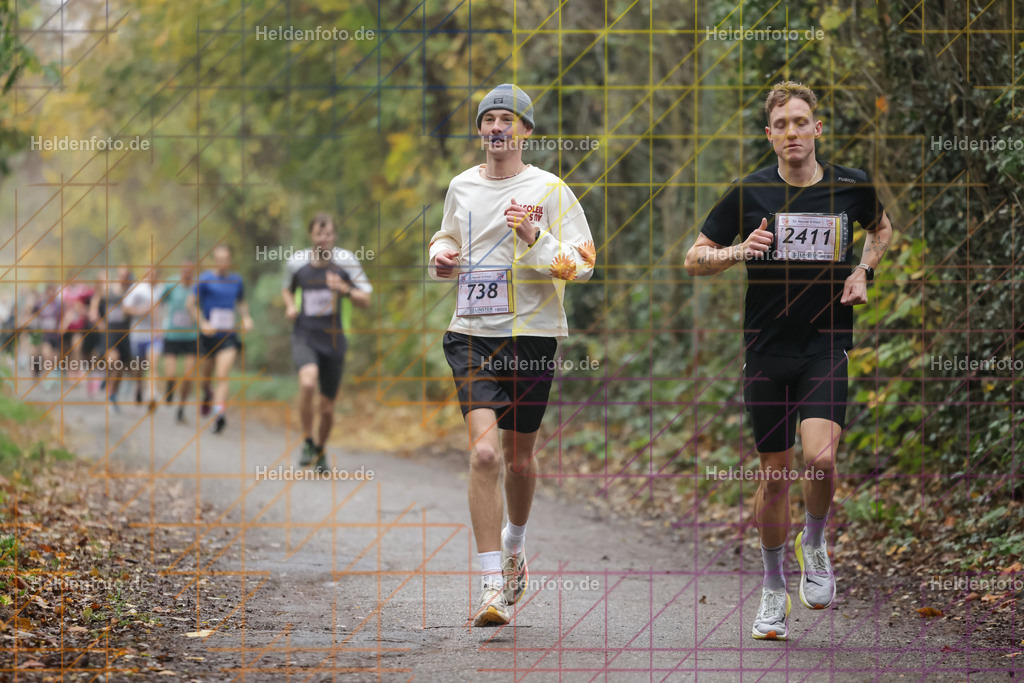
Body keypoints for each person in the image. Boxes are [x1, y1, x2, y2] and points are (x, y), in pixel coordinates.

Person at [684, 81, 893, 640]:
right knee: (775, 477)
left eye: (801, 122)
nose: (793, 133)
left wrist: (862, 271)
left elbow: (882, 229)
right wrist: (737, 251)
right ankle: (774, 589)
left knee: (821, 462)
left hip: (824, 343)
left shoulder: (851, 188)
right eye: (781, 125)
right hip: (766, 350)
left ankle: (816, 542)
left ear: (817, 129)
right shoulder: (749, 192)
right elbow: (694, 257)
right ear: (770, 135)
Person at [428, 84, 596, 626]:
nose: (497, 127)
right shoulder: (461, 185)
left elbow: (585, 263)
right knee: (483, 455)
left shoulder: (550, 189)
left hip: (532, 338)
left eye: (507, 119)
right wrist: (441, 254)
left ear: (525, 131)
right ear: (480, 130)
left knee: (520, 458)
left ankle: (515, 545)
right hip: (472, 335)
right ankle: (491, 587)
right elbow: (445, 234)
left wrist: (535, 237)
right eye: (488, 119)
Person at [282, 214, 372, 472]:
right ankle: (308, 441)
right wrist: (290, 306)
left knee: (327, 407)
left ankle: (320, 449)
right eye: (319, 234)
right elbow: (286, 288)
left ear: (334, 236)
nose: (324, 239)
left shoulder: (346, 262)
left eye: (329, 234)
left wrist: (344, 289)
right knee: (307, 382)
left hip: (334, 339)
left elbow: (365, 299)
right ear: (312, 235)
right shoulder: (296, 263)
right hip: (305, 335)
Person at [189, 245, 252, 434]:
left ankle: (219, 413)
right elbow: (191, 304)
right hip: (209, 335)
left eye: (226, 259)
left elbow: (241, 302)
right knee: (205, 380)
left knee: (222, 374)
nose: (223, 262)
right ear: (215, 260)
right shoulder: (205, 279)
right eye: (219, 259)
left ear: (230, 260)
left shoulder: (237, 280)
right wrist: (202, 322)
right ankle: (207, 392)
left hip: (228, 335)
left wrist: (247, 317)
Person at [158, 260, 199, 424]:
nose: (186, 274)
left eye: (190, 271)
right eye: (184, 270)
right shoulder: (171, 284)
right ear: (181, 271)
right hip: (172, 336)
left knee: (189, 377)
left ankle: (181, 408)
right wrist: (160, 323)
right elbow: (159, 303)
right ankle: (169, 387)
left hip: (191, 337)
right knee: (171, 374)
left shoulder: (198, 287)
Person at [90, 266, 135, 412]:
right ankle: (107, 381)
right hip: (110, 334)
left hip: (125, 334)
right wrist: (100, 324)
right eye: (122, 275)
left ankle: (113, 394)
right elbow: (94, 309)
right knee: (113, 360)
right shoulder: (108, 290)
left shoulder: (131, 292)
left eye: (126, 276)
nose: (124, 278)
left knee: (120, 368)